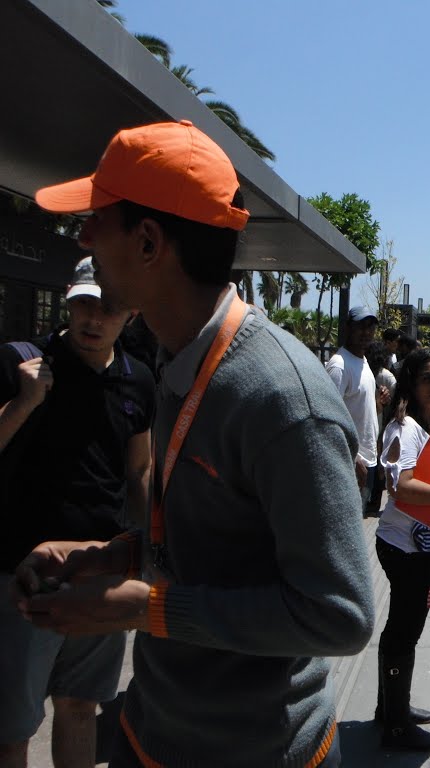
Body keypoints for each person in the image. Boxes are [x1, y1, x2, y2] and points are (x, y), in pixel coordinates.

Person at [17, 119, 374, 767]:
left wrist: (148, 609)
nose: (85, 238)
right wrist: (110, 555)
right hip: (155, 732)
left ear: (150, 242)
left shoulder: (282, 398)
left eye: (98, 220)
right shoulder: (173, 359)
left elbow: (339, 615)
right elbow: (217, 543)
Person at [0, 256, 154, 768]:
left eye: (108, 308)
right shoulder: (24, 363)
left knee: (81, 706)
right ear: (69, 301)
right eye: (84, 305)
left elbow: (139, 473)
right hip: (22, 569)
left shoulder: (138, 381)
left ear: (131, 314)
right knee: (12, 726)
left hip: (99, 568)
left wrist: (160, 547)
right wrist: (23, 402)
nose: (93, 319)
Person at [375, 348, 430, 752]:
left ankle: (393, 709)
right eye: (428, 378)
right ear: (410, 381)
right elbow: (399, 486)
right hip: (401, 546)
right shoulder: (404, 427)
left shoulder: (428, 427)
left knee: (405, 630)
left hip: (415, 545)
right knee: (403, 633)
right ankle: (396, 724)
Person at [327, 307, 382, 511]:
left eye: (371, 327)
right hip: (350, 464)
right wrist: (353, 457)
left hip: (368, 462)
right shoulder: (339, 366)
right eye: (361, 326)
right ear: (348, 328)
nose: (366, 332)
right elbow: (328, 420)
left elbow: (359, 412)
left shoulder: (362, 361)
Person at [365, 340, 396, 516]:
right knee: (379, 466)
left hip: (369, 426)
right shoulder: (388, 377)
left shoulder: (363, 372)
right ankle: (375, 501)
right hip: (382, 427)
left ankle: (369, 499)